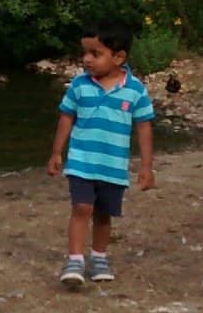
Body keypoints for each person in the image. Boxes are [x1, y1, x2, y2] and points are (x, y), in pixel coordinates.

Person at [46, 22, 155, 288]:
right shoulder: (79, 86)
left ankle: (98, 257)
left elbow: (143, 126)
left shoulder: (135, 90)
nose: (86, 60)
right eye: (84, 53)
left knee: (104, 213)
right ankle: (74, 260)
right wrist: (57, 152)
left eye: (95, 54)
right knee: (82, 207)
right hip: (82, 161)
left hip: (113, 165)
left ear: (118, 57)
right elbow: (66, 116)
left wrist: (146, 165)